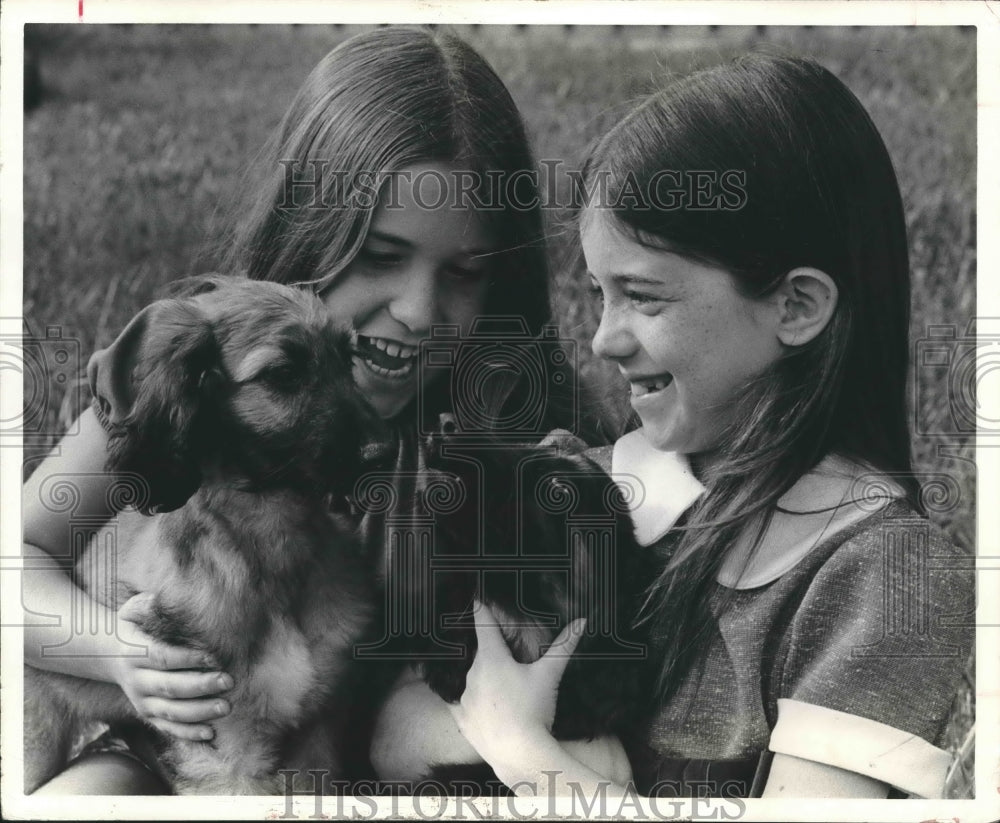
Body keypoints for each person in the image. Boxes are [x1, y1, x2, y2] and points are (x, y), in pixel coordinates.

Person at [371, 53, 974, 799]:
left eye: (643, 297)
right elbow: (390, 730)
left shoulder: (881, 576)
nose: (602, 338)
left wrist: (528, 753)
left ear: (795, 306)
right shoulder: (580, 482)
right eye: (598, 293)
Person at [22, 25, 598, 794]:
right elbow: (17, 556)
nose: (420, 310)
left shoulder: (508, 423)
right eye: (384, 256)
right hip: (185, 740)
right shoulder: (197, 368)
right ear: (313, 227)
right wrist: (116, 654)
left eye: (464, 272)